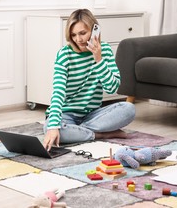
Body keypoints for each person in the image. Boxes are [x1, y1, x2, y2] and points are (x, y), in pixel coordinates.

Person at [43, 9, 135, 151]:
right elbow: (58, 93)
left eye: (82, 33)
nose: (78, 39)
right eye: (73, 35)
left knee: (128, 109)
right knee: (50, 128)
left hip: (92, 115)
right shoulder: (64, 55)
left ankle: (76, 132)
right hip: (66, 114)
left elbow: (112, 88)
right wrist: (53, 126)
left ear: (94, 31)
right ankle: (100, 135)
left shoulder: (104, 50)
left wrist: (98, 59)